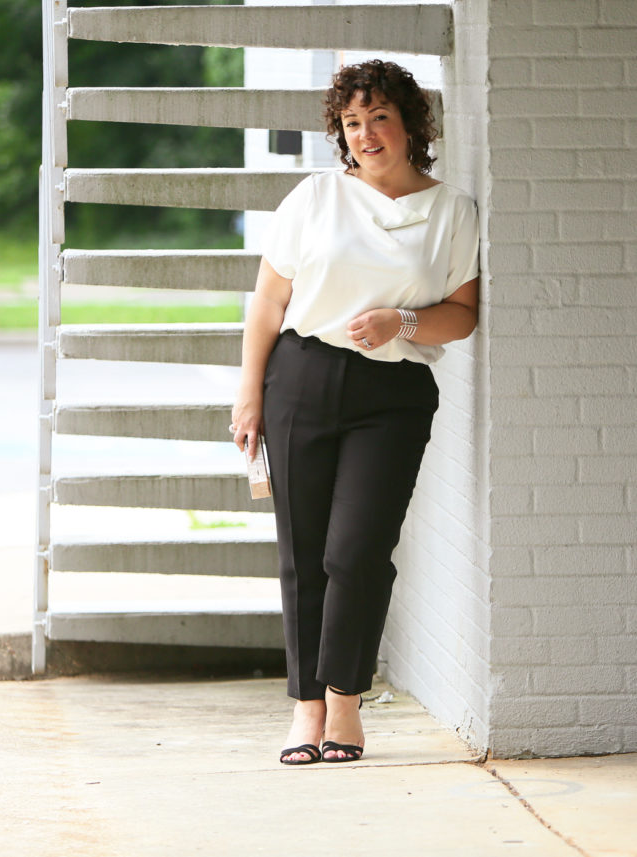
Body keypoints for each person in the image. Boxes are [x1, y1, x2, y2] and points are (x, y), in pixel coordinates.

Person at [231, 59, 479, 765]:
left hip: (392, 397)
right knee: (302, 554)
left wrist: (401, 320)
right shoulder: (316, 198)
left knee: (356, 552)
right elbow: (269, 301)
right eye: (351, 122)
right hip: (300, 377)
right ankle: (307, 710)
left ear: (410, 124)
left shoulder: (451, 210)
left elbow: (462, 316)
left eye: (378, 117)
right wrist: (249, 391)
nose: (365, 134)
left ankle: (346, 702)